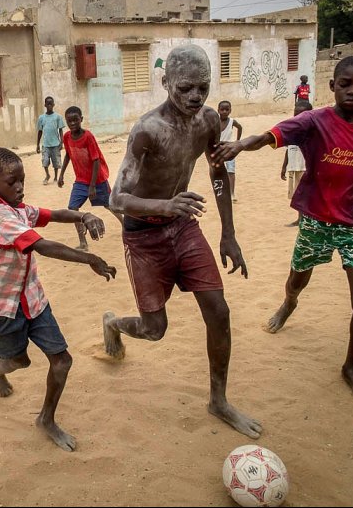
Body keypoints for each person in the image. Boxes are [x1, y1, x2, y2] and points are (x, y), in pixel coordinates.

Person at [212, 55, 353, 404]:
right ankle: (288, 303)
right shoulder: (314, 121)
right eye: (345, 84)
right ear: (333, 86)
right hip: (316, 220)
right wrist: (239, 145)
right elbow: (269, 136)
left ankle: (351, 368)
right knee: (298, 278)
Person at [102, 44, 262, 439]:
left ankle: (218, 400)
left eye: (202, 88)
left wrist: (228, 232)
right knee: (155, 329)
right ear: (166, 83)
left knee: (219, 311)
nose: (194, 96)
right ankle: (114, 324)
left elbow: (218, 173)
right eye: (185, 87)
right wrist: (166, 204)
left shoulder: (208, 121)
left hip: (184, 226)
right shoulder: (147, 131)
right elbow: (116, 199)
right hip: (144, 236)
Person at [0, 147, 117, 452]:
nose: (20, 187)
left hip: (33, 301)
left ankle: (46, 419)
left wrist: (83, 213)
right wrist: (88, 258)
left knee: (62, 361)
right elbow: (42, 245)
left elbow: (52, 215)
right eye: (12, 182)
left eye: (22, 180)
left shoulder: (18, 208)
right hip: (3, 309)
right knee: (18, 361)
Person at [57, 106, 124, 251]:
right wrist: (61, 174)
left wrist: (93, 185)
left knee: (110, 205)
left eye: (76, 120)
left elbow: (96, 160)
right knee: (73, 208)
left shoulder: (88, 137)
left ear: (81, 119)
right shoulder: (67, 137)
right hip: (81, 180)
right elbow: (68, 154)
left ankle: (126, 226)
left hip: (97, 180)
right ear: (66, 122)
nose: (73, 123)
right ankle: (83, 242)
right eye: (70, 121)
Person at [280, 101, 313, 226]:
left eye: (302, 114)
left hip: (305, 167)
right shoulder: (291, 130)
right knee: (297, 194)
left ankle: (307, 219)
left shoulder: (312, 131)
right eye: (296, 113)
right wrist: (284, 167)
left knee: (306, 194)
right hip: (294, 167)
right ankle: (300, 219)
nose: (298, 117)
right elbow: (288, 149)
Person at [36, 96, 65, 185]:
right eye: (47, 104)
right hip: (46, 144)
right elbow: (40, 131)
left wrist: (61, 142)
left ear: (53, 105)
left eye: (51, 104)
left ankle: (56, 177)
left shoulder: (58, 117)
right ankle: (47, 175)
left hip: (55, 144)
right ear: (45, 105)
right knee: (45, 162)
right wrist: (37, 145)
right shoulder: (41, 118)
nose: (49, 106)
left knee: (56, 162)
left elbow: (60, 130)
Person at [217, 101, 243, 202]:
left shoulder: (232, 121)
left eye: (227, 109)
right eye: (222, 109)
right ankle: (221, 192)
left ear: (230, 110)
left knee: (231, 171)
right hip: (218, 150)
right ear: (218, 110)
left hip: (230, 150)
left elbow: (240, 128)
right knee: (218, 172)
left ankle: (232, 193)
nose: (224, 111)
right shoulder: (216, 121)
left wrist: (237, 141)